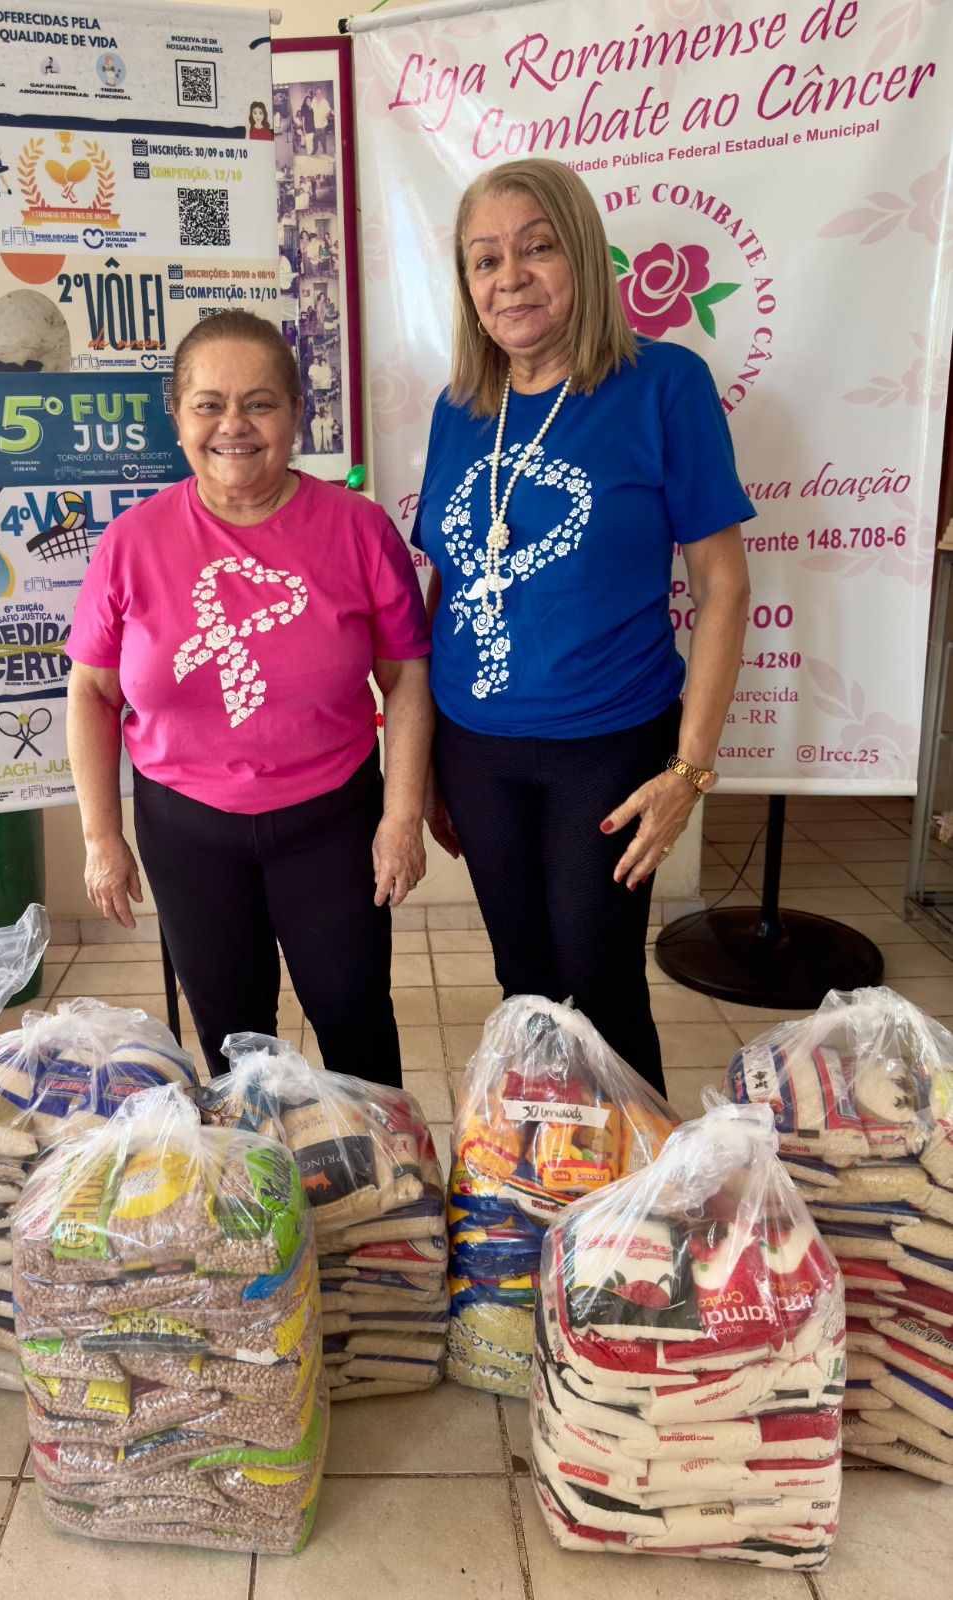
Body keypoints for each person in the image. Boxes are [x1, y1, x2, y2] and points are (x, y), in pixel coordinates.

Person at [412, 158, 753, 1096]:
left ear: (585, 259)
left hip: (607, 745)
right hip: (475, 746)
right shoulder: (458, 410)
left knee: (600, 985)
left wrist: (688, 770)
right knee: (524, 985)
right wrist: (430, 754)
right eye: (484, 260)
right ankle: (542, 1189)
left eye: (536, 247)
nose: (508, 276)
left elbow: (723, 587)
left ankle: (641, 1209)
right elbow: (449, 580)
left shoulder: (664, 386)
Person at [66, 309, 432, 1085]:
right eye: (209, 403)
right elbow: (94, 693)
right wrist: (101, 836)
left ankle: (386, 1188)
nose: (234, 424)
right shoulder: (130, 542)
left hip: (332, 822)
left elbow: (406, 680)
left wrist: (401, 818)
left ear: (298, 413)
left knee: (355, 1018)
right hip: (185, 829)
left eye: (260, 402)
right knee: (234, 1043)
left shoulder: (360, 529)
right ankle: (259, 1189)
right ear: (178, 416)